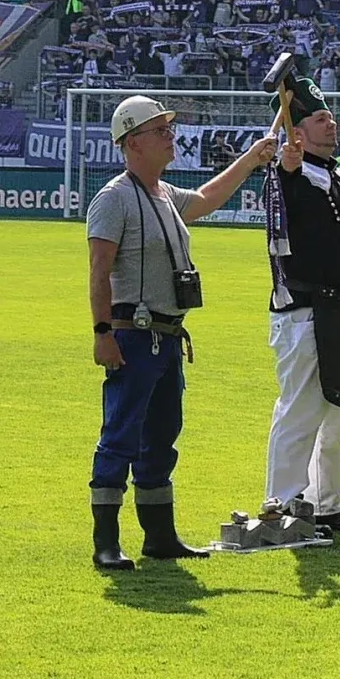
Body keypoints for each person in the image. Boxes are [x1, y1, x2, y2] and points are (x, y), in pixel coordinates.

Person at [86, 94, 277, 571]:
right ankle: (106, 541)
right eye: (160, 131)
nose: (171, 136)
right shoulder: (113, 198)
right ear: (132, 143)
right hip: (133, 332)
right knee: (121, 435)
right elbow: (98, 270)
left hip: (167, 335)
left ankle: (160, 536)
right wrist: (102, 332)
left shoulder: (165, 195)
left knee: (163, 435)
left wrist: (253, 158)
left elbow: (210, 197)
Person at [262, 77, 340, 534]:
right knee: (299, 412)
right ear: (296, 132)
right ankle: (283, 506)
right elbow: (288, 215)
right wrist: (287, 167)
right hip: (306, 312)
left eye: (330, 116)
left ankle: (326, 505)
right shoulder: (286, 176)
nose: (331, 122)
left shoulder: (337, 174)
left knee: (337, 416)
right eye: (319, 118)